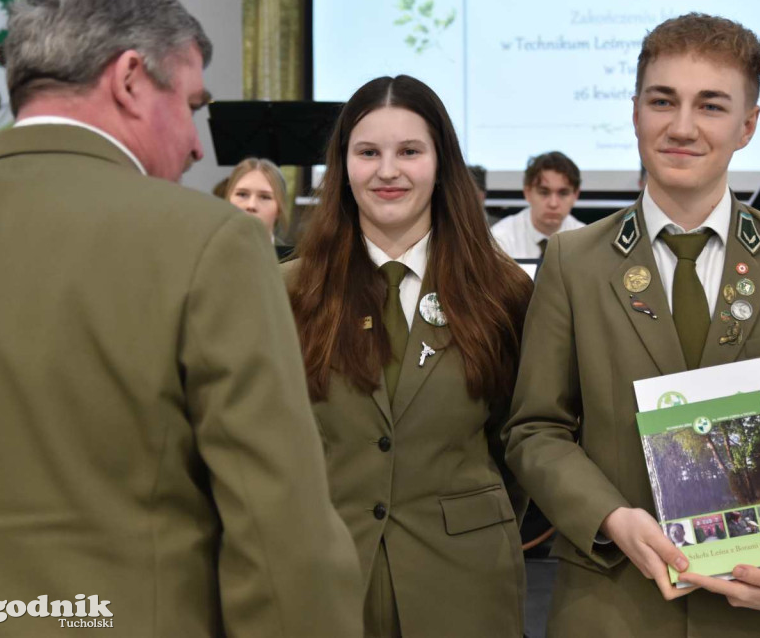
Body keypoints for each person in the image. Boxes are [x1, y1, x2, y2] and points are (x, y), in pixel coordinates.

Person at [0, 0, 362, 637]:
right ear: (131, 78)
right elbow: (279, 528)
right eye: (192, 106)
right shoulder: (211, 243)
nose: (197, 144)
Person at [504, 12, 760, 637]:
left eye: (710, 105)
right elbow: (535, 429)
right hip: (614, 604)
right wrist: (610, 516)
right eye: (662, 101)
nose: (681, 127)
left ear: (747, 125)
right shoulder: (574, 261)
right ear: (635, 112)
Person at [284, 74, 533, 637]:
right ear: (342, 166)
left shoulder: (504, 290)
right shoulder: (289, 293)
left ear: (441, 163)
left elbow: (522, 438)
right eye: (368, 152)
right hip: (327, 580)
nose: (388, 171)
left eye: (410, 152)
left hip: (466, 583)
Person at [491, 151, 585, 259]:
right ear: (527, 193)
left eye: (563, 193)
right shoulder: (500, 238)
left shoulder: (587, 241)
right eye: (544, 192)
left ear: (575, 195)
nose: (553, 204)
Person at [224, 157, 288, 242]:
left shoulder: (289, 255)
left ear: (279, 208)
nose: (251, 205)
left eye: (265, 197)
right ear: (228, 199)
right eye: (242, 194)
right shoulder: (206, 253)